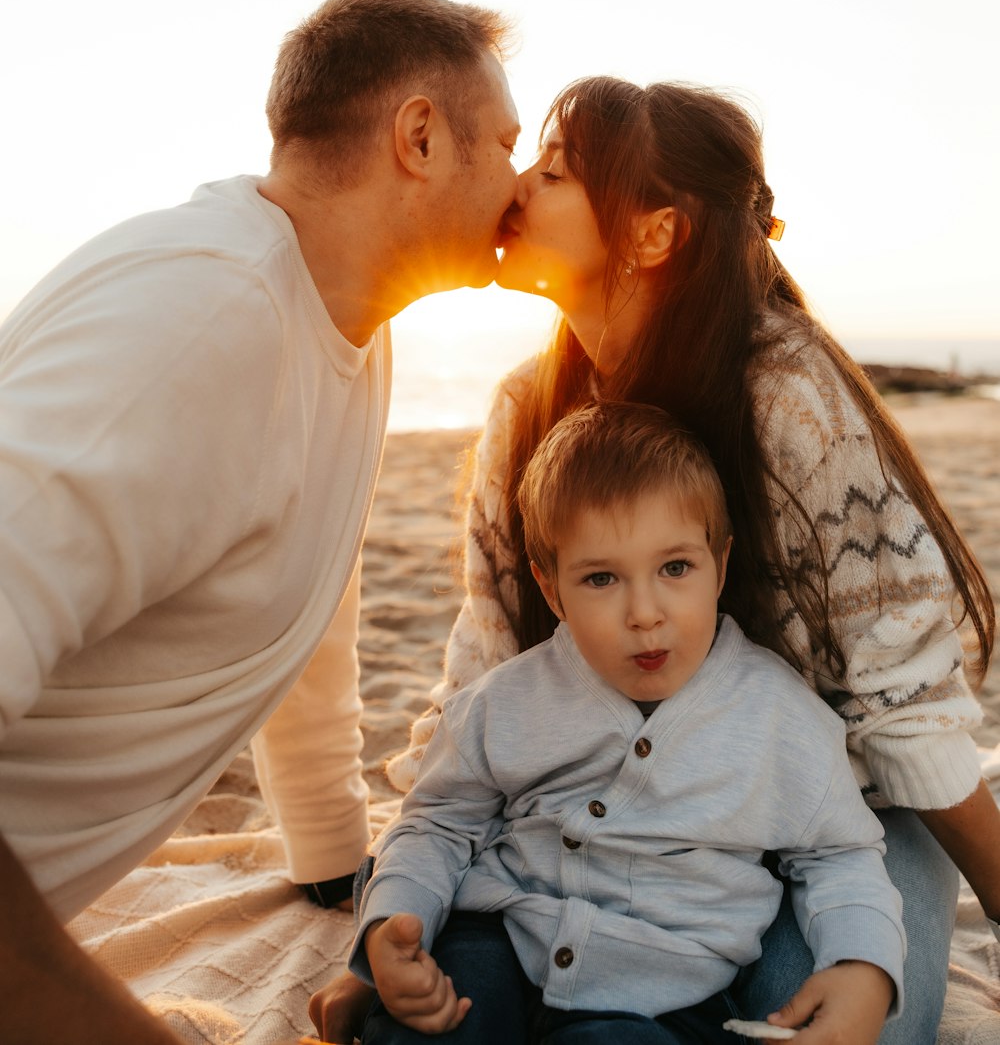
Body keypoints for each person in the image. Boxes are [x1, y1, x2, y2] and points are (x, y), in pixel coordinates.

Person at [311, 76, 998, 1045]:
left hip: (820, 811)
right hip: (595, 821)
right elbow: (486, 683)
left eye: (550, 173)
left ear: (652, 234)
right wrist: (372, 947)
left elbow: (906, 707)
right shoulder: (523, 413)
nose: (515, 187)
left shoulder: (785, 395)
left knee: (850, 1025)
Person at [0, 0, 522, 1045]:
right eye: (507, 144)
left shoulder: (346, 318)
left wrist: (332, 849)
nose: (521, 182)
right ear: (420, 136)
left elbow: (308, 591)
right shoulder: (199, 320)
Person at [350, 402, 904, 1045]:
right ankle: (369, 1003)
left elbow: (840, 855)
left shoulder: (780, 716)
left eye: (675, 568)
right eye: (601, 578)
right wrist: (393, 922)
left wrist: (864, 966)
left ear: (719, 567)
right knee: (431, 1030)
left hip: (663, 984)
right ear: (551, 588)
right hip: (499, 936)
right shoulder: (502, 702)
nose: (644, 613)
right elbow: (436, 824)